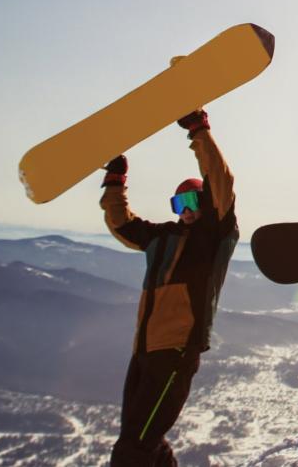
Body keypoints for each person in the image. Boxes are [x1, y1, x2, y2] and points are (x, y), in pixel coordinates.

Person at [100, 110, 238, 466]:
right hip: (143, 349)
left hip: (176, 351)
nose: (187, 210)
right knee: (142, 439)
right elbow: (122, 224)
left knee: (133, 447)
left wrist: (198, 131)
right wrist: (115, 181)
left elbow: (220, 181)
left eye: (194, 202)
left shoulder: (213, 237)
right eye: (180, 204)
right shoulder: (162, 238)